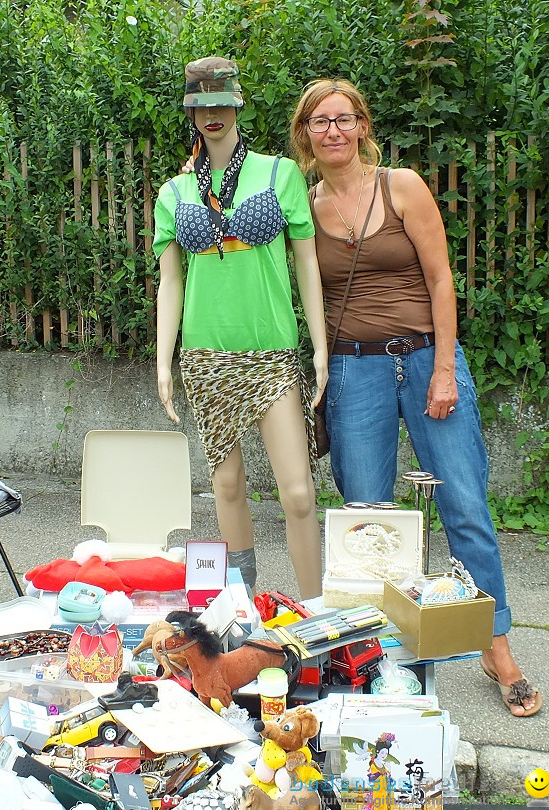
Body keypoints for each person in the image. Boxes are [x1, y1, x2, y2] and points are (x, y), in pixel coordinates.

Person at [290, 79, 542, 717]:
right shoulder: (301, 202)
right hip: (353, 372)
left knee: (463, 504)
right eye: (320, 122)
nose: (333, 131)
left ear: (362, 124)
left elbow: (440, 277)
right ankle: (377, 657)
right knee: (365, 520)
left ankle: (495, 645)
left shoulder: (401, 186)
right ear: (305, 134)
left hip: (427, 357)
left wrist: (444, 370)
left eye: (344, 119)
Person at [154, 57, 328, 598]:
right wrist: (164, 360)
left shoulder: (281, 175)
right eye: (200, 104)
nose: (212, 113)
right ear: (190, 111)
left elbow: (306, 264)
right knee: (226, 486)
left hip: (271, 353)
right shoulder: (174, 193)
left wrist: (318, 347)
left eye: (221, 102)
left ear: (238, 103)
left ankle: (316, 613)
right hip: (206, 355)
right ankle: (241, 609)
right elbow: (171, 283)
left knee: (297, 493)